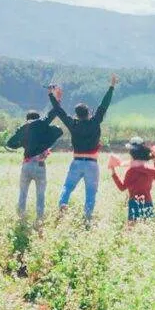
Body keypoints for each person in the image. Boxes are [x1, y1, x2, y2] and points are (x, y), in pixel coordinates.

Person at [48, 74, 118, 222]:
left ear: (77, 115)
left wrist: (51, 95)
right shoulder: (95, 122)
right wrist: (111, 86)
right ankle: (87, 219)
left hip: (77, 162)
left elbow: (59, 111)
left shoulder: (73, 124)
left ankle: (62, 204)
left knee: (67, 187)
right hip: (92, 164)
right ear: (89, 113)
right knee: (91, 194)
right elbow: (104, 106)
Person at [6, 109, 63, 223]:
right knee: (40, 195)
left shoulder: (25, 129)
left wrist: (22, 143)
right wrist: (47, 145)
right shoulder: (42, 128)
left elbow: (10, 143)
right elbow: (59, 131)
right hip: (40, 165)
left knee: (23, 193)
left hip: (26, 164)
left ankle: (21, 218)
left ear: (27, 119)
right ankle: (39, 220)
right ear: (38, 118)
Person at [110, 137, 155, 224]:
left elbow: (122, 187)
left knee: (132, 228)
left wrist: (113, 172)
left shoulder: (131, 171)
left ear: (132, 153)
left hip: (134, 202)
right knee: (148, 227)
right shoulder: (150, 170)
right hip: (148, 201)